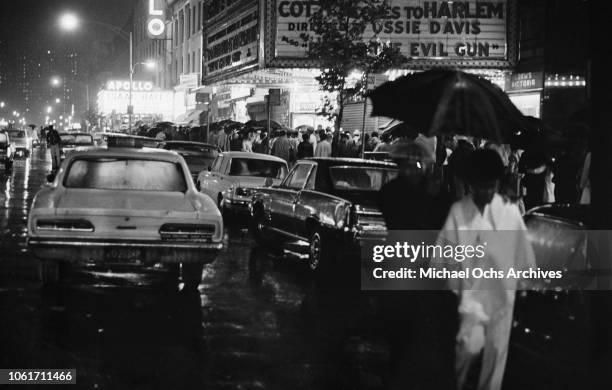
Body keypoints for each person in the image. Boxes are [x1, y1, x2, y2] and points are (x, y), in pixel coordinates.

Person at [436, 149, 536, 390]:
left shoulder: (511, 213)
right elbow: (443, 255)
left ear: (498, 183)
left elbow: (524, 254)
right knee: (466, 350)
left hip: (502, 297)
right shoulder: (459, 211)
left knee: (496, 356)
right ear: (471, 184)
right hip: (471, 296)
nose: (486, 192)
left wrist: (524, 281)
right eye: (481, 186)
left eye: (490, 186)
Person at [378, 141, 456, 390]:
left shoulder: (436, 192)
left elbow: (445, 217)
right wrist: (428, 199)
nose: (411, 170)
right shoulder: (391, 192)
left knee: (427, 323)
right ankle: (397, 371)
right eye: (406, 166)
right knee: (400, 322)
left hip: (427, 263)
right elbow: (400, 221)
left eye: (415, 166)